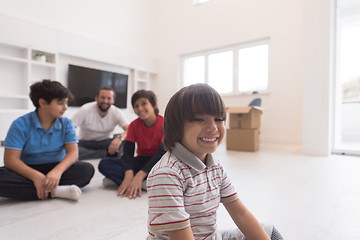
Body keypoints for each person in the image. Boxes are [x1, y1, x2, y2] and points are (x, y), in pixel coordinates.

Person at [147, 84, 284, 239]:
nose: (213, 128)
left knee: (269, 231)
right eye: (199, 119)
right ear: (176, 126)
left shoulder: (215, 166)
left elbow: (241, 214)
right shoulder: (167, 174)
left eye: (219, 119)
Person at [0, 80, 94, 201]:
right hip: (28, 170)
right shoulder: (20, 124)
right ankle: (57, 190)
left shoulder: (66, 123)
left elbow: (73, 153)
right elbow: (11, 161)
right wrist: (36, 177)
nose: (65, 108)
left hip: (56, 167)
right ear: (43, 103)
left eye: (66, 103)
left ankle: (46, 188)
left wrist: (57, 172)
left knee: (86, 170)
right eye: (60, 103)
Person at [98, 90, 165, 199]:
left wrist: (140, 175)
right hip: (141, 160)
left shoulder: (165, 123)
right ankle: (143, 184)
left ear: (154, 105)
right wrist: (128, 173)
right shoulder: (133, 125)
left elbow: (161, 154)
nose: (140, 108)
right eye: (136, 106)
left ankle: (136, 181)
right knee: (104, 163)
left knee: (169, 172)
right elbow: (127, 153)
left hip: (159, 163)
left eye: (144, 103)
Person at [72, 87, 129, 160]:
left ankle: (98, 153)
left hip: (106, 142)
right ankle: (106, 154)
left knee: (126, 143)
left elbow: (130, 129)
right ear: (96, 98)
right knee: (70, 149)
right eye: (102, 97)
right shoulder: (84, 109)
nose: (105, 101)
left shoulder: (117, 112)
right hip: (85, 143)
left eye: (109, 98)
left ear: (113, 100)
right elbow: (71, 127)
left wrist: (119, 138)